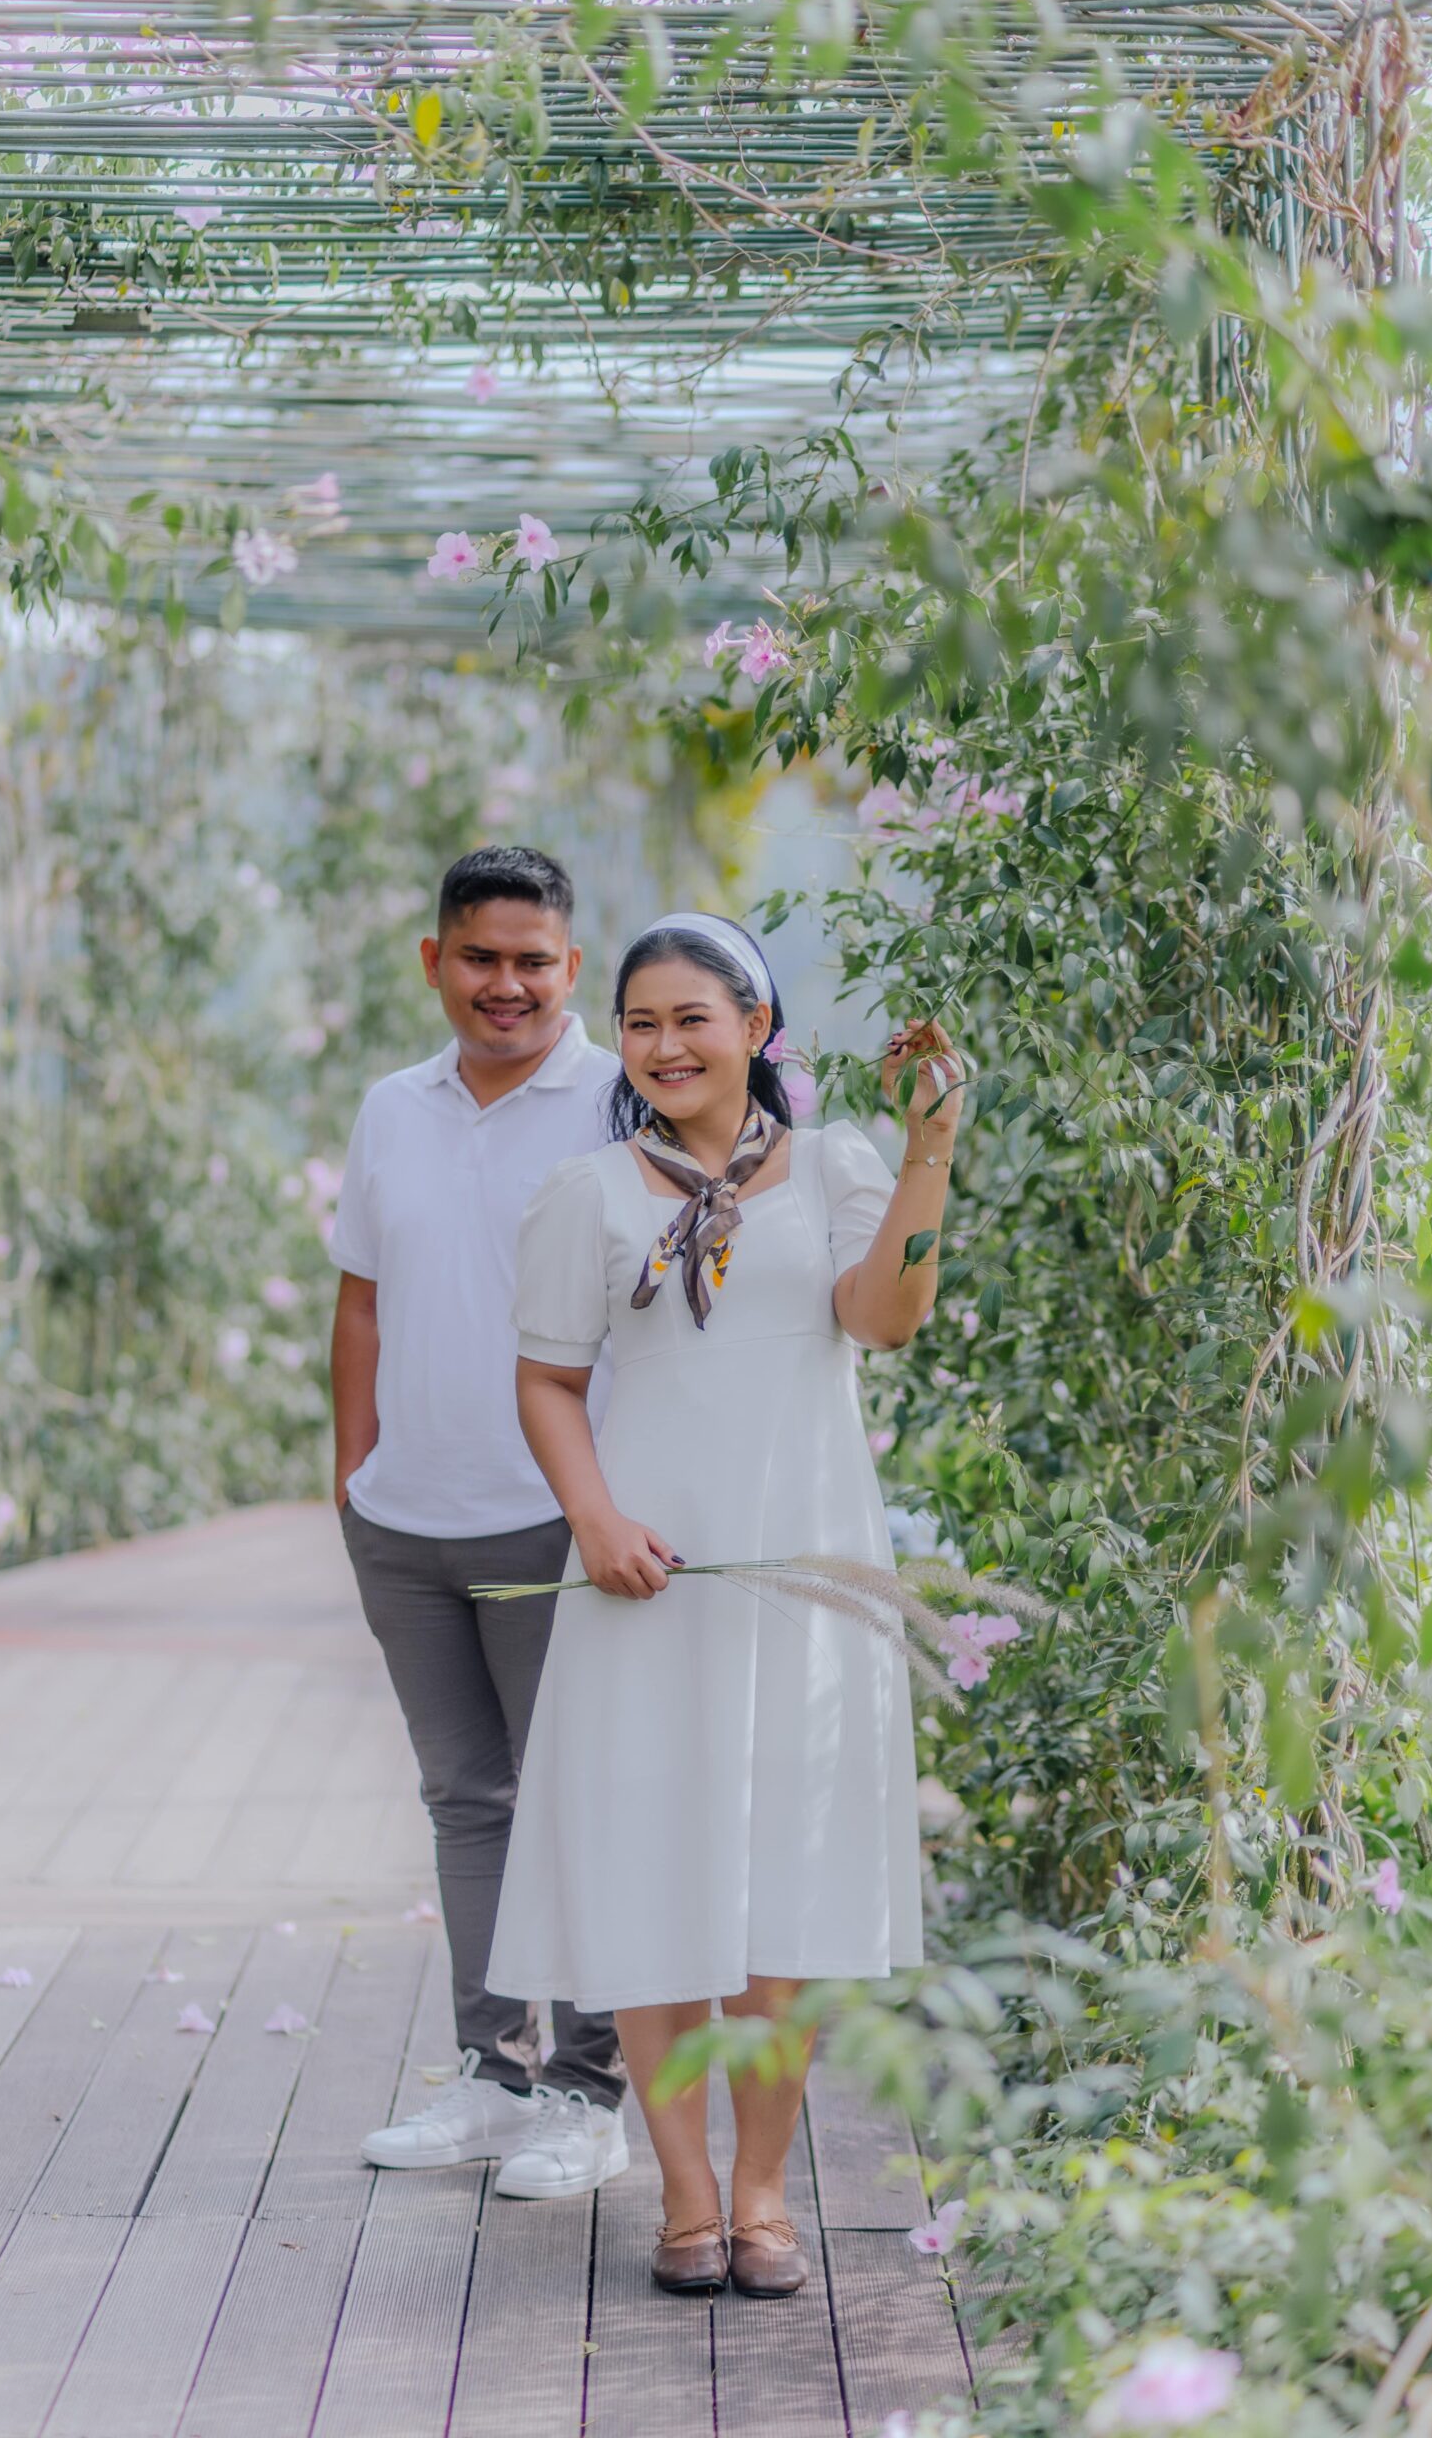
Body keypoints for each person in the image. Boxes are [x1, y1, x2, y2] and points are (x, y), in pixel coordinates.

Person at [487, 909, 966, 2295]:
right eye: (639, 1024)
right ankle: (685, 2198)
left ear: (756, 1030)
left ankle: (763, 2194)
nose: (664, 1045)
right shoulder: (588, 1194)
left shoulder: (839, 1166)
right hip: (646, 1577)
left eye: (692, 1018)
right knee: (650, 1874)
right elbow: (547, 1381)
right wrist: (594, 1519)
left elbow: (886, 1319)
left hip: (799, 1575)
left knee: (783, 1890)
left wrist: (930, 1151)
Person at [328, 845, 628, 2200]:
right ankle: (494, 2077)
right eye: (479, 958)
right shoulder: (391, 1107)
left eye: (532, 962)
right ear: (434, 961)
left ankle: (589, 2095)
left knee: (581, 1804)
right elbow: (361, 1299)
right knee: (466, 1804)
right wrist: (354, 1475)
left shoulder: (619, 1104)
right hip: (406, 1524)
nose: (505, 985)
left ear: (572, 968)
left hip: (556, 1521)